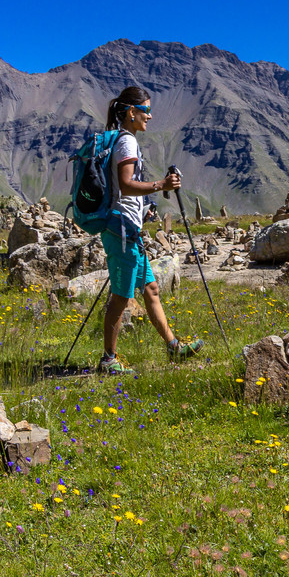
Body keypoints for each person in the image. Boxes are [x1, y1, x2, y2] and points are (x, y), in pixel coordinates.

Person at [98, 86, 203, 374]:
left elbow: (126, 188)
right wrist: (162, 185)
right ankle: (108, 359)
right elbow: (127, 184)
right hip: (120, 229)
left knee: (152, 288)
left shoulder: (123, 140)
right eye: (146, 110)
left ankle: (173, 348)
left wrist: (146, 207)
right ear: (131, 112)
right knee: (121, 295)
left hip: (128, 226)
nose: (151, 115)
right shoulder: (127, 142)